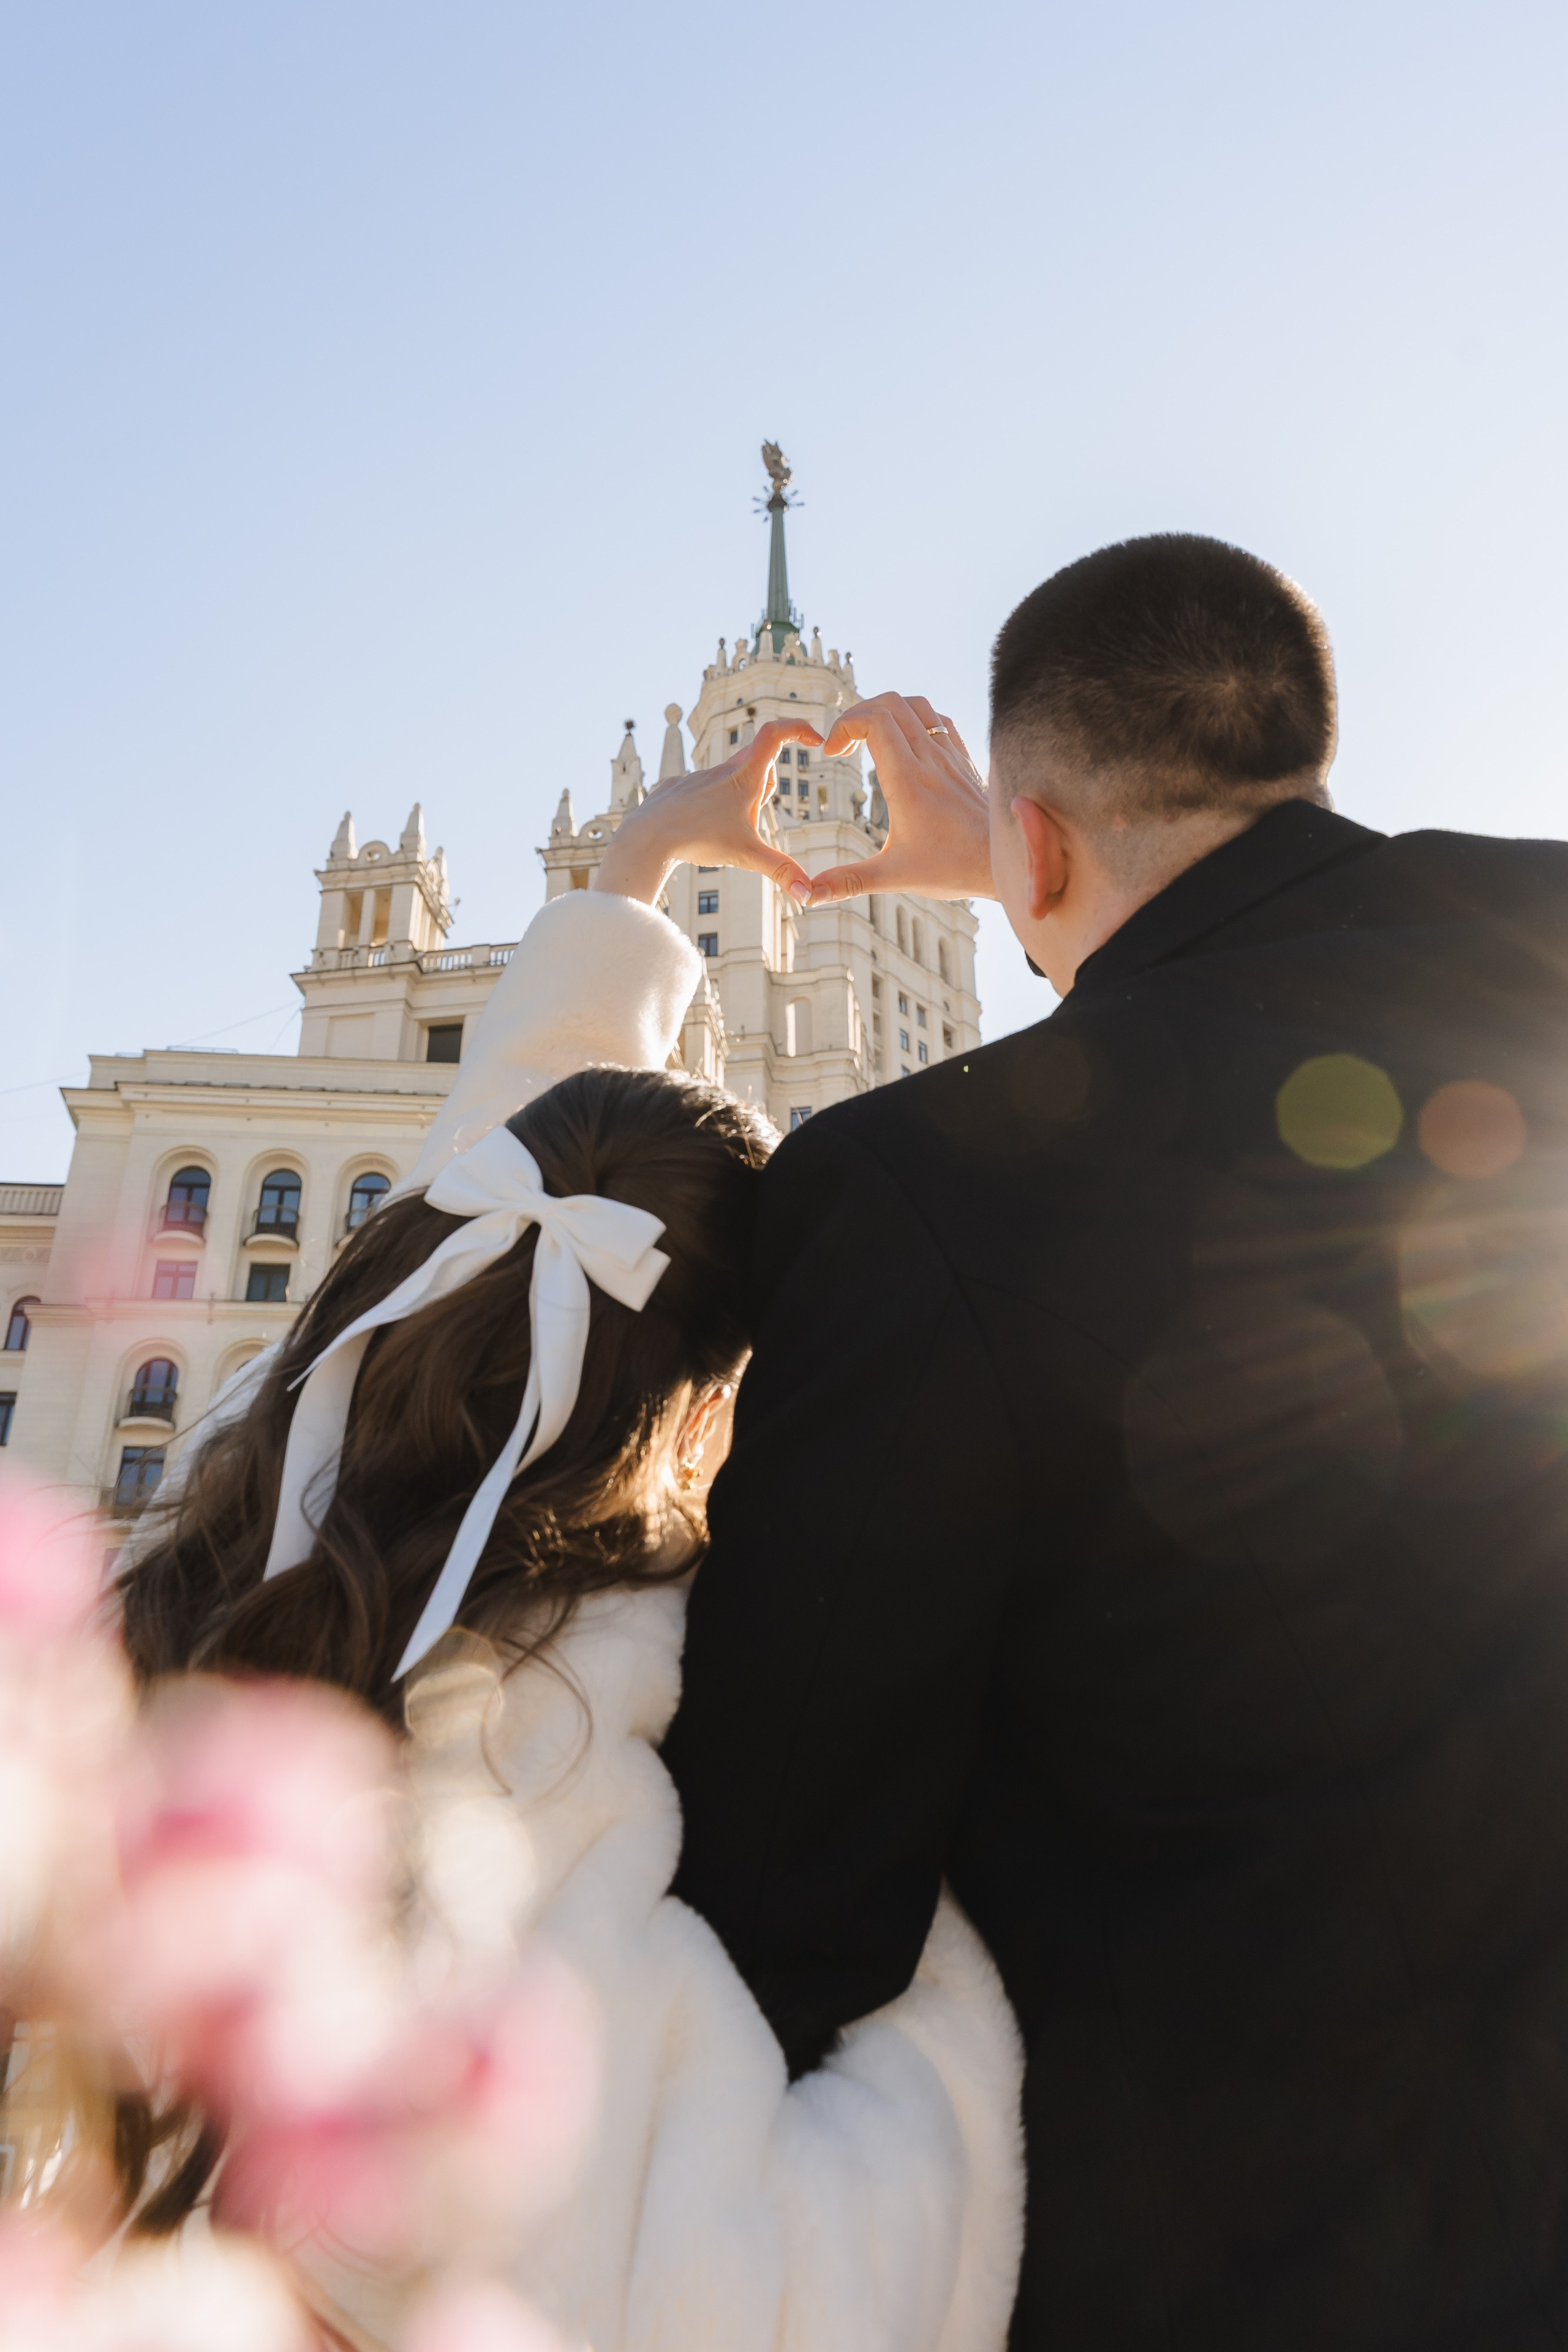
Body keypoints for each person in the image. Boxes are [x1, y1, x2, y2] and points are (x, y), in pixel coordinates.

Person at [662, 533, 1568, 2349]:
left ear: (1045, 843)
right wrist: (1042, 858)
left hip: (1257, 2257)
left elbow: (790, 1897)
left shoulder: (916, 1188)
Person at [113, 725, 1023, 2352]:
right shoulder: (591, 1704)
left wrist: (627, 882)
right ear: (712, 1391)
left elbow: (522, 1192)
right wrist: (946, 2039)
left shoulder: (245, 1515)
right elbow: (716, 2291)